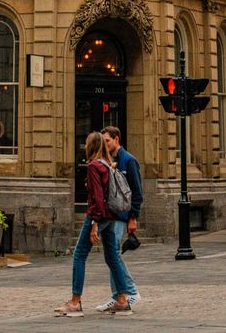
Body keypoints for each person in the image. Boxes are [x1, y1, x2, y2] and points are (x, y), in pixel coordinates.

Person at [56, 132, 134, 318]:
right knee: (112, 257)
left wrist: (94, 223)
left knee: (79, 255)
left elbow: (97, 198)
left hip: (99, 216)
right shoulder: (108, 165)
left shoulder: (93, 166)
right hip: (112, 215)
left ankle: (75, 302)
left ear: (90, 146)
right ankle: (122, 300)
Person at [100, 126, 142, 313]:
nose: (104, 144)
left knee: (114, 255)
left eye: (107, 140)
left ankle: (129, 291)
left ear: (116, 139)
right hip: (109, 214)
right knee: (111, 255)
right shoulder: (107, 160)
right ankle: (117, 295)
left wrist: (133, 217)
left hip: (121, 215)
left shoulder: (129, 160)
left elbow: (137, 192)